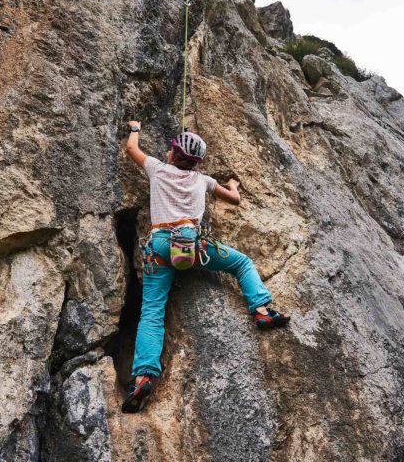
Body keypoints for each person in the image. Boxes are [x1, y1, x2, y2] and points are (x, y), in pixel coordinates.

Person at [121, 120, 290, 413]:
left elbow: (131, 148)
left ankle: (143, 377)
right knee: (241, 263)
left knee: (152, 311)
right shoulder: (203, 180)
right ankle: (262, 311)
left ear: (173, 155)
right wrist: (234, 184)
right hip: (193, 246)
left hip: (160, 245)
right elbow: (234, 199)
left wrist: (135, 127)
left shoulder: (158, 169)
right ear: (196, 162)